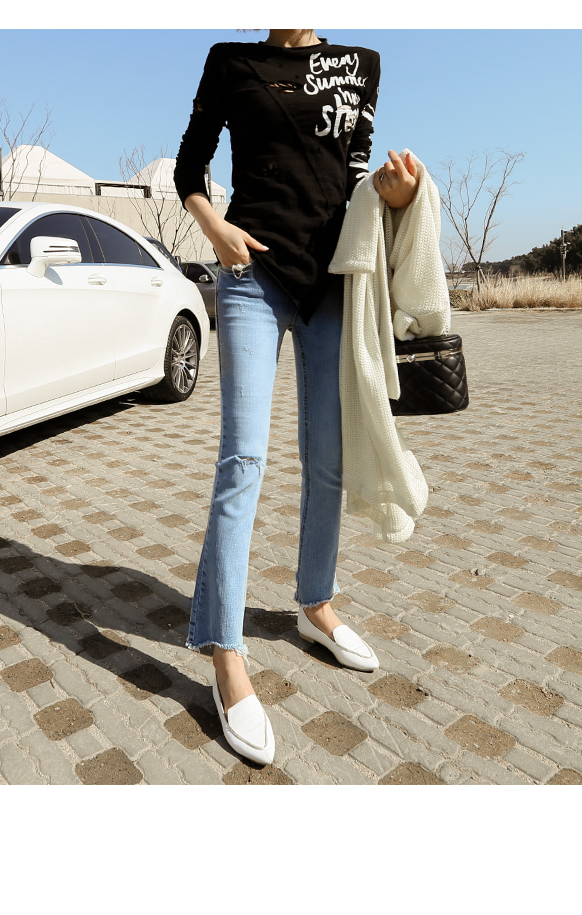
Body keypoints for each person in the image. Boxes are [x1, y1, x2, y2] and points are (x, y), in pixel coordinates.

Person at [173, 28, 419, 765]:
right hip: (249, 274)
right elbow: (190, 164)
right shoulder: (232, 61)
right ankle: (225, 654)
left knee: (328, 461)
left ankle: (316, 604)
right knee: (243, 462)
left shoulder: (359, 66)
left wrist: (399, 196)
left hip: (330, 284)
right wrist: (215, 226)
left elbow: (353, 180)